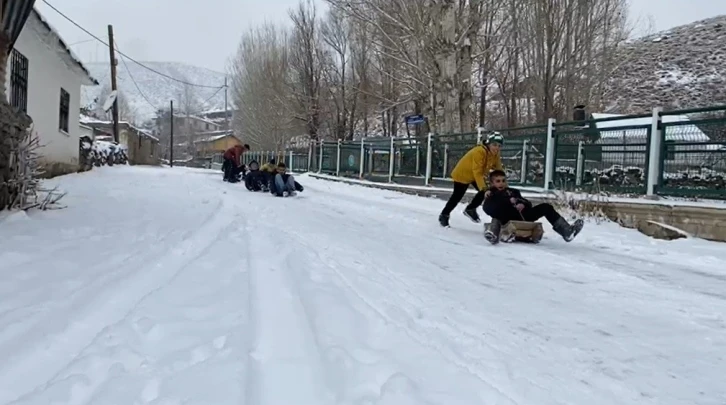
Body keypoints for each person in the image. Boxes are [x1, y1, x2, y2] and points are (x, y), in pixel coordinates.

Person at [482, 169, 584, 244]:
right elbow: (487, 208)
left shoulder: (513, 191)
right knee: (496, 219)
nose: (501, 183)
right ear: (492, 183)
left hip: (523, 216)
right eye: (498, 181)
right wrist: (504, 200)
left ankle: (566, 231)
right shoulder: (492, 194)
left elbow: (528, 203)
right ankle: (493, 235)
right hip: (505, 219)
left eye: (503, 180)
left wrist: (520, 203)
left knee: (546, 207)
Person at [438, 132, 504, 227]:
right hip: (463, 174)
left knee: (486, 192)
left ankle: (470, 209)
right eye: (494, 145)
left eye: (499, 146)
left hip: (475, 175)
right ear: (488, 143)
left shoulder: (495, 153)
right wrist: (483, 188)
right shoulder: (479, 151)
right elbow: (477, 172)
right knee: (457, 196)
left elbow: (499, 170)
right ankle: (444, 215)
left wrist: (504, 185)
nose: (496, 148)